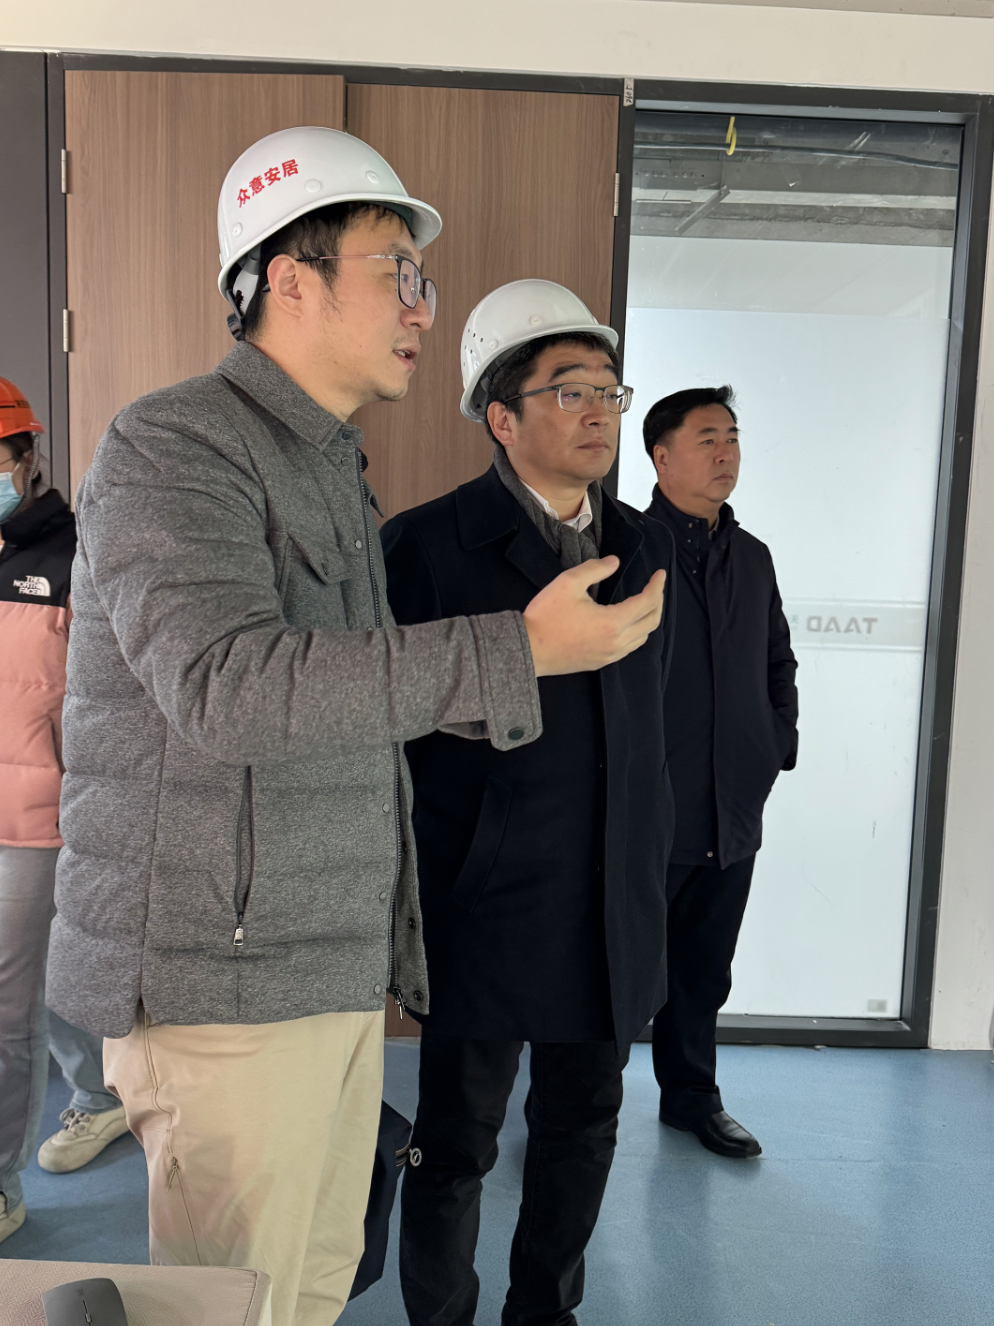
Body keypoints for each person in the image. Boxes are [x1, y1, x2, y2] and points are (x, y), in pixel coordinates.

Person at [45, 130, 665, 1326]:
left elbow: (354, 708)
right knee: (240, 1302)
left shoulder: (331, 465)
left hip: (324, 970)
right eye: (396, 272)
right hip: (225, 987)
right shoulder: (176, 443)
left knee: (316, 1285)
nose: (423, 308)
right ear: (290, 278)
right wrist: (518, 651)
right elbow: (224, 686)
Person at [381, 279, 675, 1326]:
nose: (598, 411)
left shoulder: (643, 543)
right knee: (455, 1141)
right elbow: (387, 728)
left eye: (606, 389)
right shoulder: (425, 547)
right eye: (567, 389)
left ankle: (545, 1314)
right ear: (500, 417)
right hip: (485, 902)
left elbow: (649, 726)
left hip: (611, 901)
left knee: (582, 1129)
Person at [643, 385, 798, 1159]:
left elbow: (777, 660)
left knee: (704, 968)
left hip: (731, 801)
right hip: (648, 804)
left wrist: (774, 745)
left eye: (732, 437)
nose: (725, 453)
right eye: (707, 438)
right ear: (661, 456)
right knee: (611, 967)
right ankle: (567, 1109)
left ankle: (692, 1100)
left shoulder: (753, 557)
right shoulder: (627, 549)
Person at [0, 380, 128, 1246]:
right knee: (46, 979)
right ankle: (99, 1092)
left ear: (23, 457)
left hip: (37, 816)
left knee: (9, 1005)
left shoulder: (74, 554)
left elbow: (111, 694)